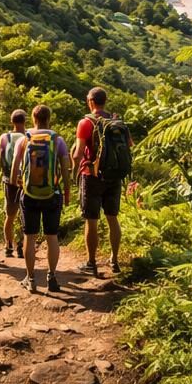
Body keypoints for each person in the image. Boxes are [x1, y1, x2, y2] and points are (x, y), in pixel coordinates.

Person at [73, 86, 133, 274]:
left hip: (92, 176)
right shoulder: (117, 122)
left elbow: (78, 153)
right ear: (105, 101)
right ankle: (114, 261)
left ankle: (91, 263)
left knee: (91, 220)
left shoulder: (86, 123)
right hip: (114, 175)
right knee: (112, 218)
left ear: (90, 101)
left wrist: (74, 171)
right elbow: (129, 145)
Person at [12, 104, 71, 293]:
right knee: (51, 236)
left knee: (29, 236)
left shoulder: (24, 139)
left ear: (33, 118)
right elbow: (65, 170)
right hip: (52, 194)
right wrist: (67, 192)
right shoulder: (58, 140)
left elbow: (14, 170)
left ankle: (30, 279)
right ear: (49, 119)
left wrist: (18, 184)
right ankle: (51, 276)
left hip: (29, 194)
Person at [0, 108, 28, 258]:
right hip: (25, 181)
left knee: (9, 216)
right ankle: (22, 246)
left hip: (8, 180)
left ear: (12, 121)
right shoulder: (28, 137)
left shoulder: (4, 137)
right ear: (25, 121)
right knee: (24, 215)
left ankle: (8, 246)